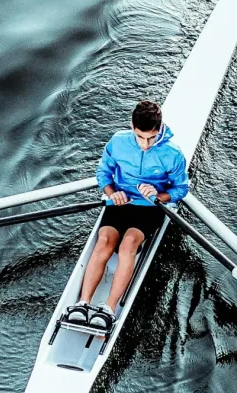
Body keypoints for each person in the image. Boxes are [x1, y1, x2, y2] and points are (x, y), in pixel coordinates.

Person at [66, 100, 189, 332]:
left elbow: (181, 189)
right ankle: (82, 304)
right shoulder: (118, 142)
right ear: (132, 127)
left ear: (160, 129)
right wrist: (112, 192)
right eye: (141, 137)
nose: (145, 145)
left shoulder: (173, 154)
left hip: (150, 207)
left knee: (128, 244)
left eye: (152, 138)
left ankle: (109, 310)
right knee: (104, 241)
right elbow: (103, 172)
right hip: (120, 202)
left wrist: (159, 195)